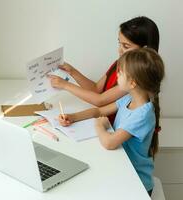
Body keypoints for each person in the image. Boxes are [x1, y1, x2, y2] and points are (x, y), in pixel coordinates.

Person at [58, 48, 165, 196]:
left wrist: (100, 126)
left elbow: (110, 143)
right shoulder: (129, 98)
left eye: (120, 72)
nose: (117, 75)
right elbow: (99, 111)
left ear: (133, 83)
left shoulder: (142, 115)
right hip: (121, 170)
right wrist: (73, 117)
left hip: (136, 184)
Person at [49, 16, 160, 124]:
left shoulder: (133, 79)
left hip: (114, 129)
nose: (119, 50)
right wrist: (72, 71)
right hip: (103, 122)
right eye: (119, 43)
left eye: (126, 46)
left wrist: (65, 85)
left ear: (145, 50)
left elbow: (100, 100)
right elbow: (96, 89)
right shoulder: (118, 64)